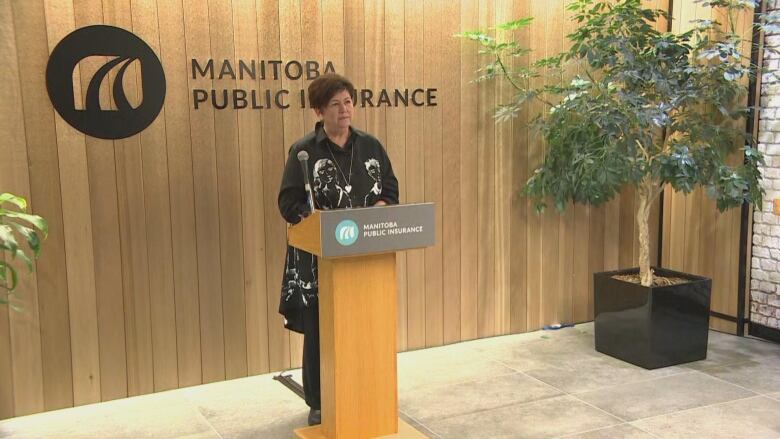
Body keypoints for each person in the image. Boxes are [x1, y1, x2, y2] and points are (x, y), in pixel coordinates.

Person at [277, 73, 399, 426]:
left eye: (348, 102)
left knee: (364, 322)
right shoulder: (303, 152)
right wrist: (317, 224)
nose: (344, 110)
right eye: (335, 104)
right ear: (319, 110)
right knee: (322, 329)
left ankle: (365, 388)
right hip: (321, 259)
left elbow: (389, 186)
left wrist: (380, 205)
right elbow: (288, 202)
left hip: (366, 256)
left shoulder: (371, 146)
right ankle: (319, 400)